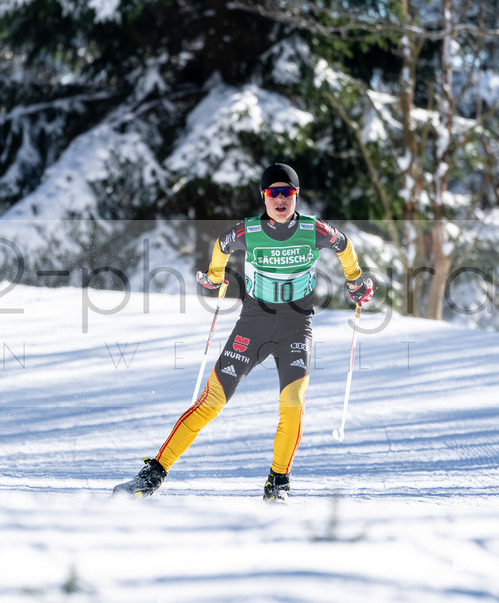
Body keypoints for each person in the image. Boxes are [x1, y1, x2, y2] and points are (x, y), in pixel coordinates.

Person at [112, 163, 374, 502]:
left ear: (296, 196)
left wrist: (355, 281)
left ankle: (278, 484)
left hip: (296, 326)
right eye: (273, 193)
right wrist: (215, 276)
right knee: (211, 401)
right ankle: (153, 474)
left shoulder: (314, 230)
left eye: (287, 192)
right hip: (253, 324)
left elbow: (344, 246)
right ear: (264, 196)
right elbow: (221, 246)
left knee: (293, 402)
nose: (280, 199)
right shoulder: (248, 232)